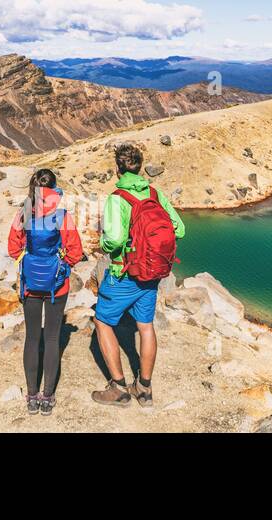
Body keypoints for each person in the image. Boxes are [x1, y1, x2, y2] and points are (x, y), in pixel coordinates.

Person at [91, 144, 185, 408]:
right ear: (140, 166)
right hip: (153, 274)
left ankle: (119, 388)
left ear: (117, 168)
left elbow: (115, 240)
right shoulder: (155, 194)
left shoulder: (117, 198)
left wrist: (105, 244)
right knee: (145, 327)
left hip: (124, 274)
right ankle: (144, 389)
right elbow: (180, 229)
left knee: (102, 321)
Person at [7, 168, 83, 416]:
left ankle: (31, 396)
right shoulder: (62, 216)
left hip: (30, 284)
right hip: (56, 286)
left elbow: (12, 247)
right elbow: (75, 251)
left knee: (32, 337)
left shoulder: (24, 212)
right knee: (52, 338)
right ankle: (47, 396)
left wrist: (28, 259)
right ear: (55, 188)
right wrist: (61, 264)